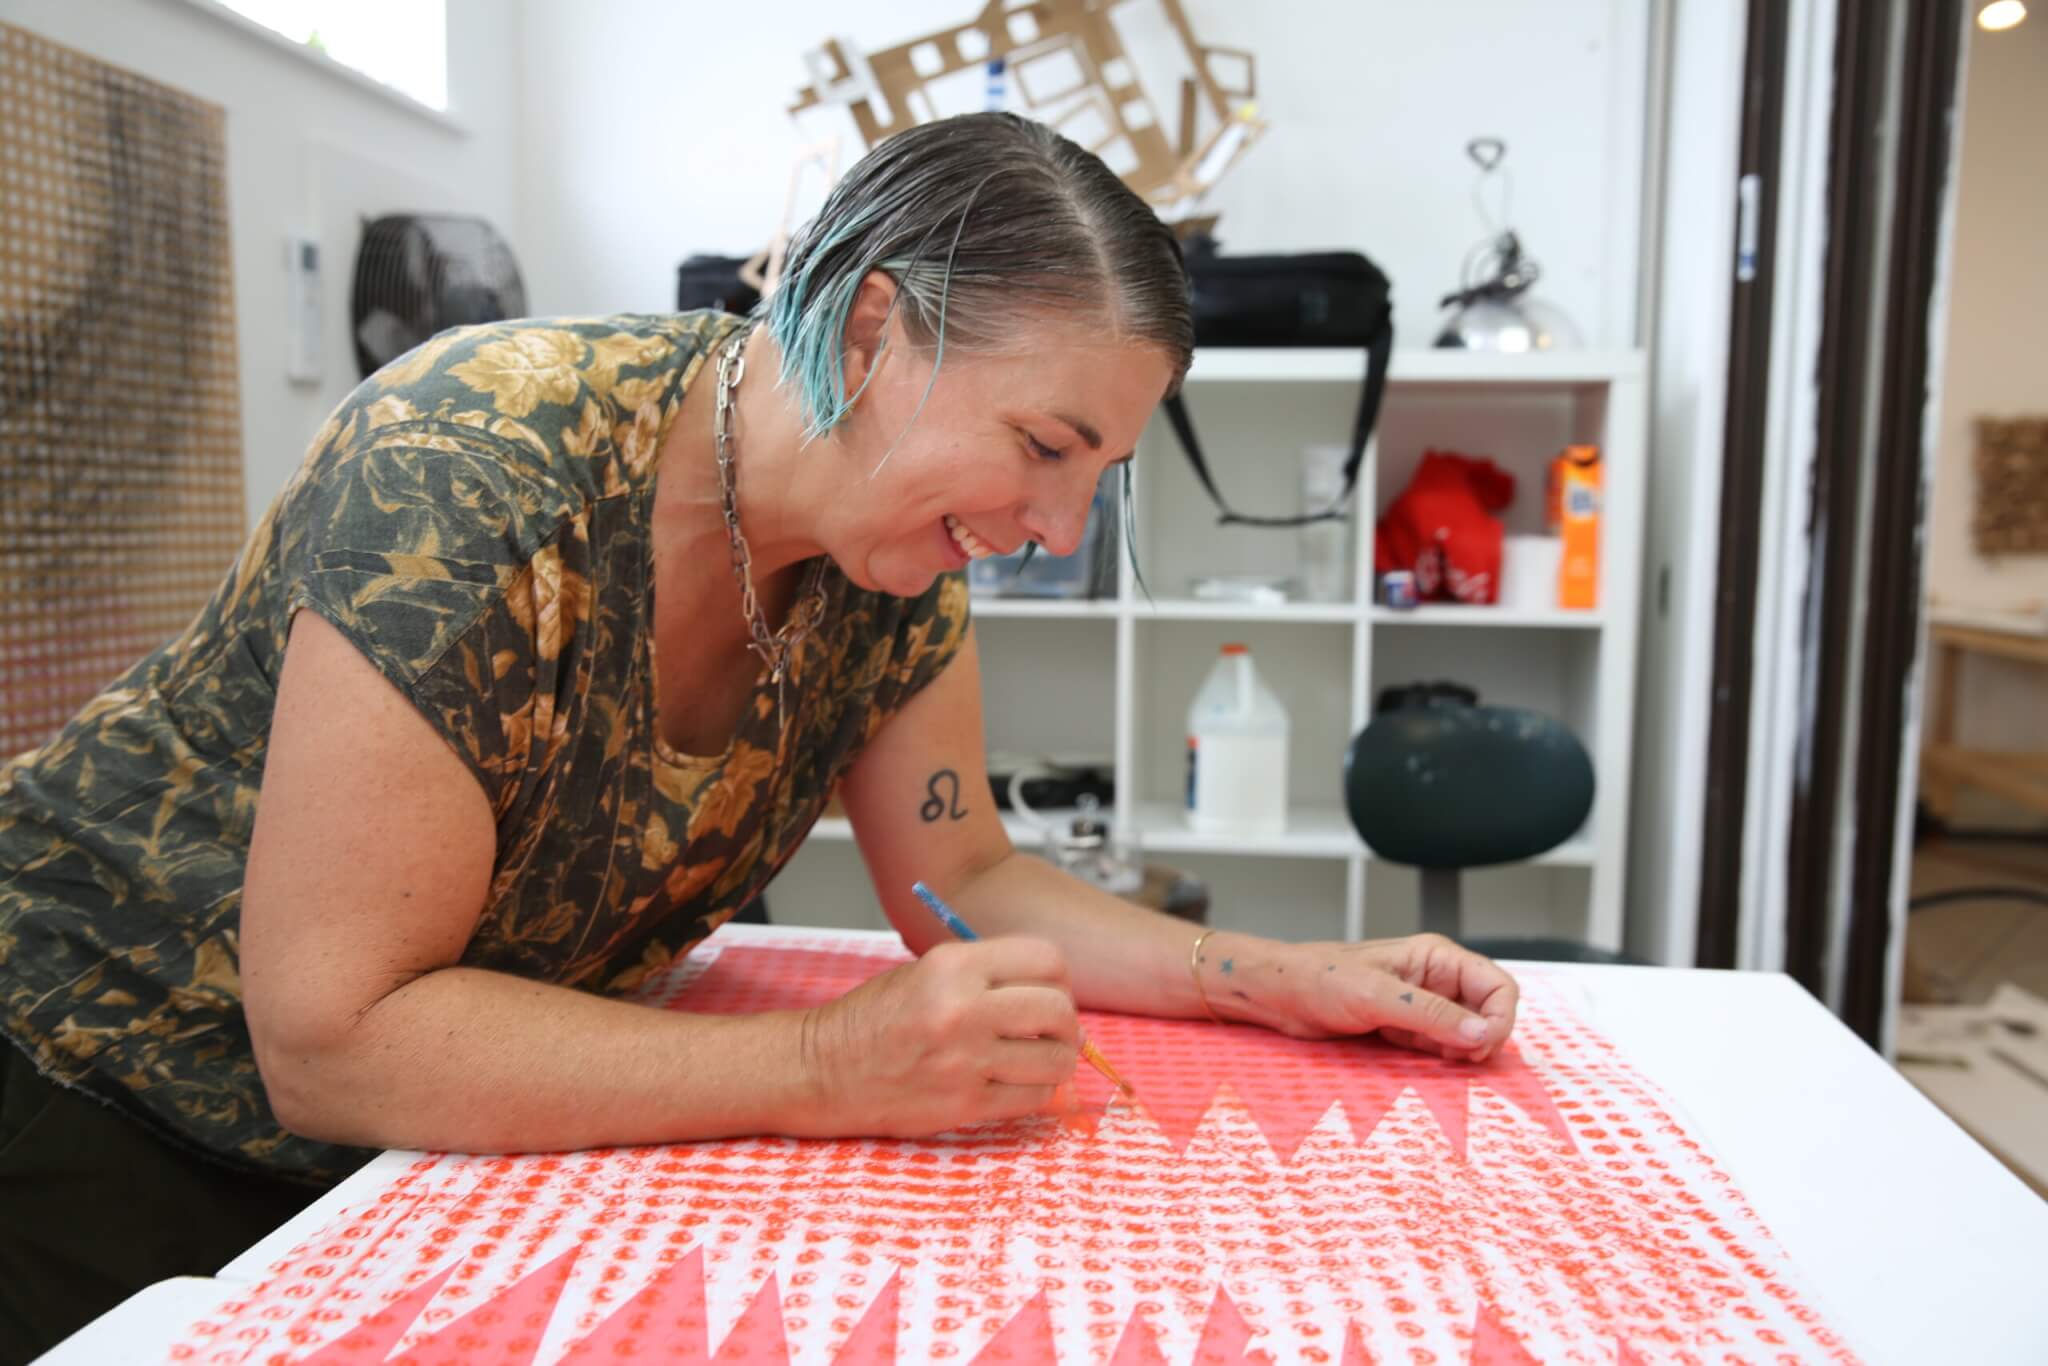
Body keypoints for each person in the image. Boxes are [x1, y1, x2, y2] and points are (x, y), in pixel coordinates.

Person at [0, 112, 1520, 1354]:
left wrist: (1277, 978)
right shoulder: (470, 471)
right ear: (872, 333)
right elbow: (336, 1037)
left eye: (1098, 474)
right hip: (92, 1087)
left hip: (412, 1154)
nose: (1053, 523)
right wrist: (828, 1063)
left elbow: (967, 881)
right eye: (1044, 447)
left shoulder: (882, 569)